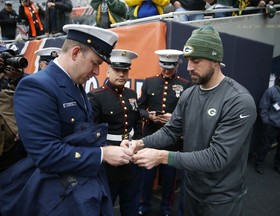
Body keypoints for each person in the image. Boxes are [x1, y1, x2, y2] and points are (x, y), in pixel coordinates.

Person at [122, 26, 257, 216]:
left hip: (222, 197)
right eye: (187, 61)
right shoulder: (189, 94)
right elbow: (170, 131)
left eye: (196, 61)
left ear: (215, 59)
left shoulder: (239, 101)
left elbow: (217, 157)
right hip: (192, 189)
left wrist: (162, 156)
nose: (189, 67)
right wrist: (141, 143)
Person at [7, 24, 134, 216]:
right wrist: (103, 154)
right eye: (95, 63)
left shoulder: (75, 84)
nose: (97, 72)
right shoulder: (37, 86)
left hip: (80, 187)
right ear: (75, 53)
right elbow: (46, 154)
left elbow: (81, 137)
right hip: (54, 196)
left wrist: (113, 149)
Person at [87, 49, 142, 216]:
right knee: (107, 206)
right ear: (108, 70)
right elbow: (91, 131)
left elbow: (137, 122)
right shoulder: (96, 96)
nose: (121, 74)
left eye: (125, 71)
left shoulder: (131, 94)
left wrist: (138, 143)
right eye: (117, 70)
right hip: (109, 162)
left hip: (132, 158)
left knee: (131, 204)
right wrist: (106, 151)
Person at [137, 49, 191, 216]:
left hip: (172, 141)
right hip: (152, 136)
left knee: (169, 179)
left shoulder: (185, 85)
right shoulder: (149, 82)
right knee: (146, 176)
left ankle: (166, 208)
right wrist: (149, 116)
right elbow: (139, 107)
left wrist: (173, 118)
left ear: (177, 65)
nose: (166, 70)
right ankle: (143, 206)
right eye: (164, 66)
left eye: (170, 67)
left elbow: (189, 113)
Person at [254, 68, 280, 176]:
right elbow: (263, 107)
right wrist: (266, 122)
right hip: (272, 125)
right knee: (264, 146)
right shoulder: (272, 91)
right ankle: (259, 163)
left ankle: (279, 165)